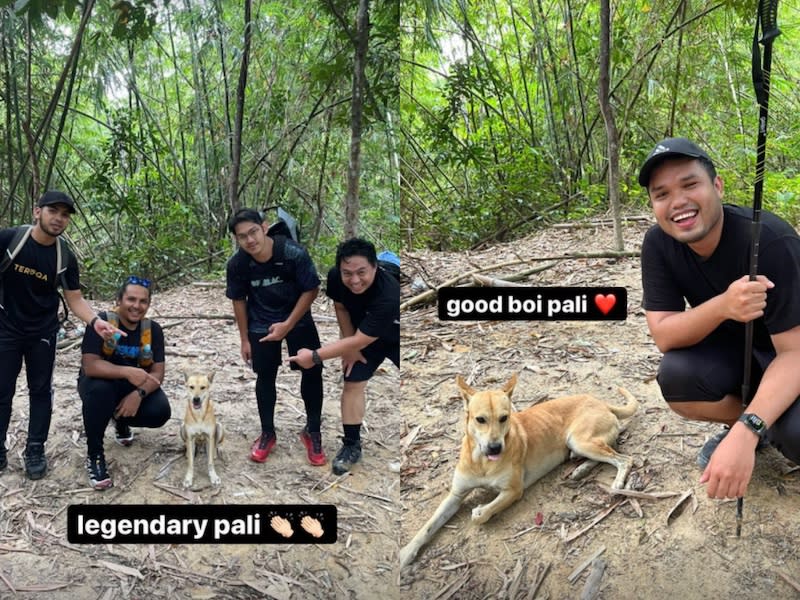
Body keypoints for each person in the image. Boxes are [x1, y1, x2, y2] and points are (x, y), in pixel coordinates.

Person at [638, 137, 800, 501]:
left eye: (690, 184)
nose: (677, 202)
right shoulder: (659, 245)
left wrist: (747, 429)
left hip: (789, 354)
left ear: (717, 185)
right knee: (677, 377)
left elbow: (795, 354)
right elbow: (663, 334)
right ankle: (761, 426)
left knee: (798, 436)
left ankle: (759, 428)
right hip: (740, 354)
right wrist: (724, 305)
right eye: (661, 194)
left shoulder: (770, 241)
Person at [0, 191, 119, 480]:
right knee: (2, 391)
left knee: (41, 391)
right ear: (37, 211)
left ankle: (35, 448)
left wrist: (95, 322)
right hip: (6, 327)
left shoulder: (63, 255)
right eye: (53, 211)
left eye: (65, 214)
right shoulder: (10, 240)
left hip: (43, 330)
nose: (59, 218)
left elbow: (75, 298)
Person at [289, 238, 400, 475]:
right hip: (362, 332)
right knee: (352, 382)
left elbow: (361, 340)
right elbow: (340, 307)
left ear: (375, 267)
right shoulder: (335, 277)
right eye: (347, 273)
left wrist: (315, 356)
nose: (355, 280)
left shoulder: (389, 293)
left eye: (362, 272)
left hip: (396, 332)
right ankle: (351, 445)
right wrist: (350, 347)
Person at [225, 208, 326, 466]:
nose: (250, 240)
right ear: (236, 239)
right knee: (265, 375)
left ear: (265, 227)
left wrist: (289, 324)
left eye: (253, 232)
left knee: (312, 369)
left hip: (297, 316)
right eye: (242, 236)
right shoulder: (238, 264)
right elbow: (238, 299)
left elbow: (311, 289)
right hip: (261, 321)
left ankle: (312, 431)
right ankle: (267, 432)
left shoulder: (293, 253)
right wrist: (244, 339)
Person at [77, 276, 170, 489]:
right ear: (119, 300)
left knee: (160, 411)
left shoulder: (152, 330)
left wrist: (139, 395)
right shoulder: (102, 322)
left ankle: (121, 420)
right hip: (100, 384)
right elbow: (90, 365)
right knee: (100, 392)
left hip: (132, 388)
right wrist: (127, 372)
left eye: (143, 301)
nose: (136, 306)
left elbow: (157, 372)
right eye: (131, 299)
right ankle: (95, 454)